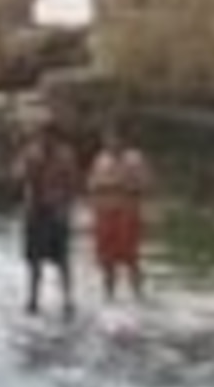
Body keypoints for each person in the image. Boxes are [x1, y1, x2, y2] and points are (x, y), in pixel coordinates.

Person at [11, 120, 84, 318]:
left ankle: (68, 299)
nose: (45, 140)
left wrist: (67, 208)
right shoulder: (30, 153)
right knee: (34, 259)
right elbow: (17, 178)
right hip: (34, 211)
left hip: (56, 210)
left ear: (55, 137)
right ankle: (33, 299)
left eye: (48, 136)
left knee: (62, 259)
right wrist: (25, 164)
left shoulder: (65, 156)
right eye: (42, 136)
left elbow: (73, 183)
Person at [87, 129, 155, 301]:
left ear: (123, 140)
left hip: (127, 213)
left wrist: (123, 185)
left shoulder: (135, 159)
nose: (111, 143)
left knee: (131, 258)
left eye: (114, 139)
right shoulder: (101, 159)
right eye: (108, 140)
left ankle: (138, 295)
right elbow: (91, 184)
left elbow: (146, 183)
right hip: (105, 213)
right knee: (106, 260)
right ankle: (108, 296)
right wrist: (103, 187)